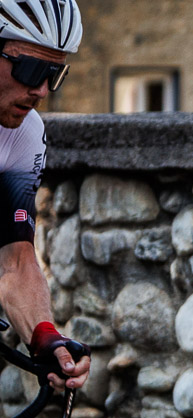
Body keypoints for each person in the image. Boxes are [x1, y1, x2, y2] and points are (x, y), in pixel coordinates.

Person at [0, 0, 88, 393]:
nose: (40, 91)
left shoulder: (22, 134)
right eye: (31, 69)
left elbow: (15, 263)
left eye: (54, 74)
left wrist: (46, 337)